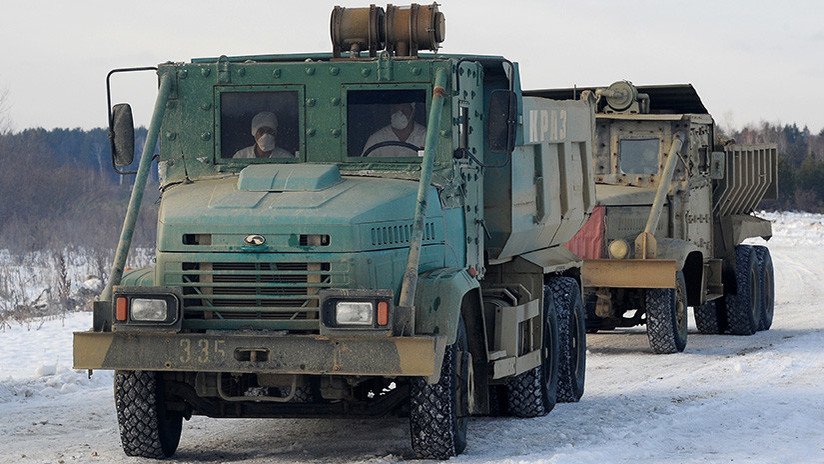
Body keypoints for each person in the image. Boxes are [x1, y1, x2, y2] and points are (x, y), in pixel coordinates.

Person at [362, 102, 426, 157]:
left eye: (404, 110)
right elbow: (364, 164)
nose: (399, 114)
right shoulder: (377, 139)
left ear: (413, 112)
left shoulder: (425, 136)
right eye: (395, 110)